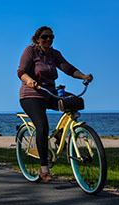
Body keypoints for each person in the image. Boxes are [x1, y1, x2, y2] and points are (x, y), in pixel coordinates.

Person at [17, 26, 93, 182]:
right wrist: (29, 80)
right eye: (45, 37)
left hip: (49, 94)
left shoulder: (54, 54)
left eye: (51, 37)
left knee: (75, 103)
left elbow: (68, 69)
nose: (48, 40)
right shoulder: (30, 51)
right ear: (37, 39)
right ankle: (44, 168)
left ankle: (60, 134)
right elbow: (21, 71)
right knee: (42, 125)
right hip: (31, 95)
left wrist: (84, 76)